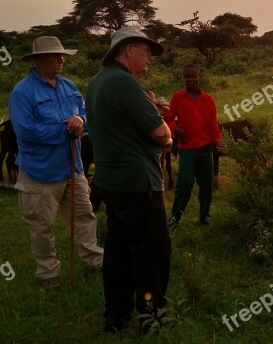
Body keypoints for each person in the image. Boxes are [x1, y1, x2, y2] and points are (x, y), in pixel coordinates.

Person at [85, 26, 172, 333]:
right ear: (127, 49)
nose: (150, 56)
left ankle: (116, 316)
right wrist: (160, 118)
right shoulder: (125, 82)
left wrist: (149, 108)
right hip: (139, 183)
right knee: (150, 253)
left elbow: (121, 126)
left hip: (110, 181)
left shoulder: (97, 82)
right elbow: (162, 135)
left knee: (118, 250)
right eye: (145, 49)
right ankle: (151, 316)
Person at [9, 36, 104, 292]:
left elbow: (84, 114)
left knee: (84, 217)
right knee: (42, 228)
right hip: (40, 173)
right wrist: (65, 131)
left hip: (73, 169)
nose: (61, 60)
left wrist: (79, 120)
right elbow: (26, 131)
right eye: (55, 56)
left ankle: (94, 263)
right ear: (39, 60)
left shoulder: (69, 86)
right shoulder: (23, 92)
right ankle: (48, 277)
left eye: (62, 55)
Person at [165, 64, 222, 229]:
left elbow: (213, 125)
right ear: (184, 78)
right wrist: (175, 129)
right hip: (187, 148)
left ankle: (204, 217)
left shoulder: (208, 99)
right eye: (187, 77)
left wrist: (220, 144)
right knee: (184, 182)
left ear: (199, 76)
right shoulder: (178, 97)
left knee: (206, 184)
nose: (190, 80)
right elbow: (168, 118)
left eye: (193, 76)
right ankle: (175, 218)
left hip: (205, 148)